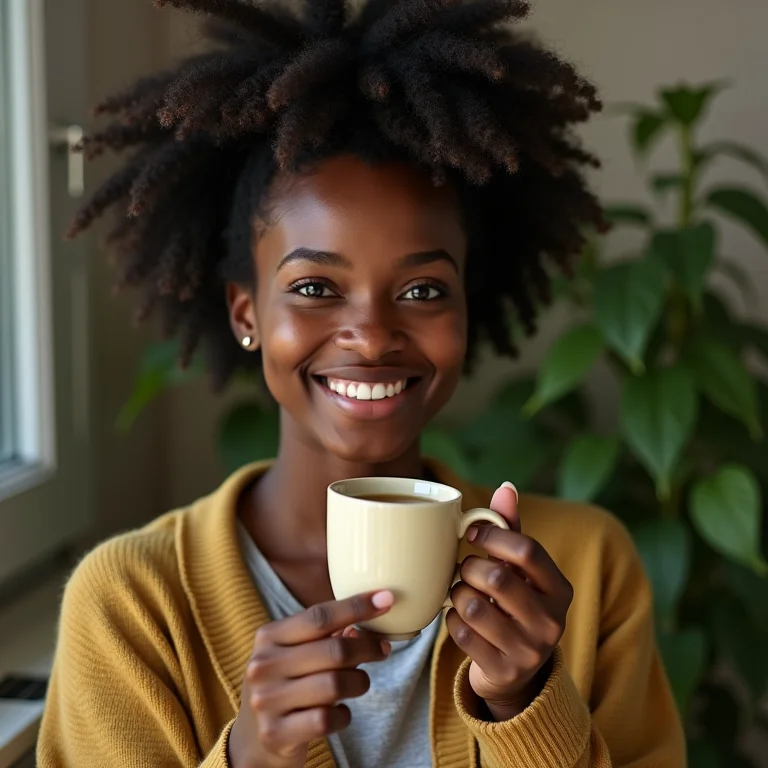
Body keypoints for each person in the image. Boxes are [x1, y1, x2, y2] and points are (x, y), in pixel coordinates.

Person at [37, 0, 686, 766]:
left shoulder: (583, 566)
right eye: (315, 287)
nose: (374, 336)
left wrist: (527, 707)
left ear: (468, 309)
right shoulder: (132, 606)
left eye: (421, 291)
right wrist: (250, 755)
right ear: (247, 313)